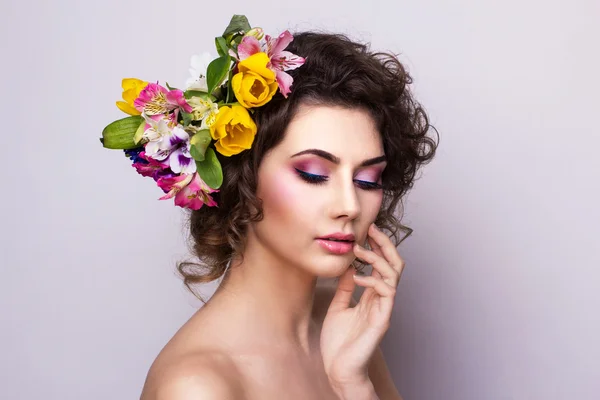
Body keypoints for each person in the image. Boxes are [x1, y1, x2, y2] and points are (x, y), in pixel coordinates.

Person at [103, 16, 438, 400]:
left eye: (367, 180)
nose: (350, 205)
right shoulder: (198, 388)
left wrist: (353, 384)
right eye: (313, 174)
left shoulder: (341, 324)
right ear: (241, 178)